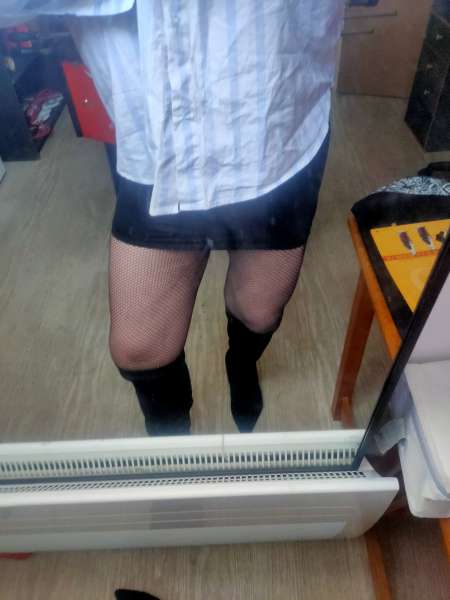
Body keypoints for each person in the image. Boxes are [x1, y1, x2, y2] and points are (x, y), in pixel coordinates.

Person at [2, 1, 345, 435]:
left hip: (277, 120)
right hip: (155, 137)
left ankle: (241, 363)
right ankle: (172, 440)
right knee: (138, 347)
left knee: (258, 311)